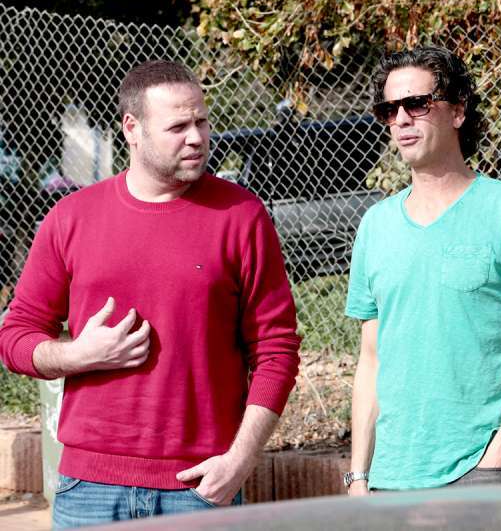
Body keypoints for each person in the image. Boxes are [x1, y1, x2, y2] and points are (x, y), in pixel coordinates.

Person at [0, 60, 301, 527]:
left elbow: (276, 349)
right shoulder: (72, 218)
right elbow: (15, 336)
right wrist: (78, 355)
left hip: (199, 487)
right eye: (178, 127)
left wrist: (240, 460)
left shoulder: (241, 215)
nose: (196, 137)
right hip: (89, 491)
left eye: (202, 121)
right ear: (132, 129)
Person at [345, 46, 501, 494]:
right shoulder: (375, 225)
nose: (401, 120)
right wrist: (359, 475)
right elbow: (371, 360)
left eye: (417, 104)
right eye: (389, 109)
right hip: (388, 480)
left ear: (457, 112)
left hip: (480, 471)